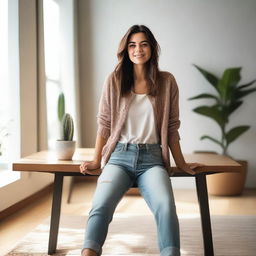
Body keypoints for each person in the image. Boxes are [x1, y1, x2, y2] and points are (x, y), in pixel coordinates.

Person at [80, 24, 203, 256]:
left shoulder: (167, 82)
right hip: (118, 158)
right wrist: (97, 161)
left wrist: (182, 164)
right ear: (126, 50)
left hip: (153, 160)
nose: (138, 49)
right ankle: (88, 253)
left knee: (166, 207)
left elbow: (171, 127)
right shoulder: (114, 80)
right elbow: (104, 123)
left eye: (144, 44)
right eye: (132, 45)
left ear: (152, 48)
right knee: (100, 205)